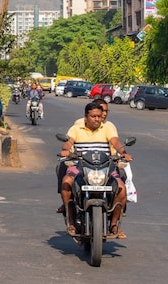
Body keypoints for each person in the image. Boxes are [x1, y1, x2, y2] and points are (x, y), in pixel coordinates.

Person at [59, 101, 131, 239]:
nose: (97, 119)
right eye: (93, 116)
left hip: (105, 168)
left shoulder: (107, 128)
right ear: (86, 117)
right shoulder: (76, 129)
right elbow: (68, 142)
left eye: (99, 116)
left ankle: (114, 224)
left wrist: (123, 152)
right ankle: (71, 222)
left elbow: (115, 142)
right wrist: (65, 150)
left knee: (121, 189)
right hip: (80, 167)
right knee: (66, 182)